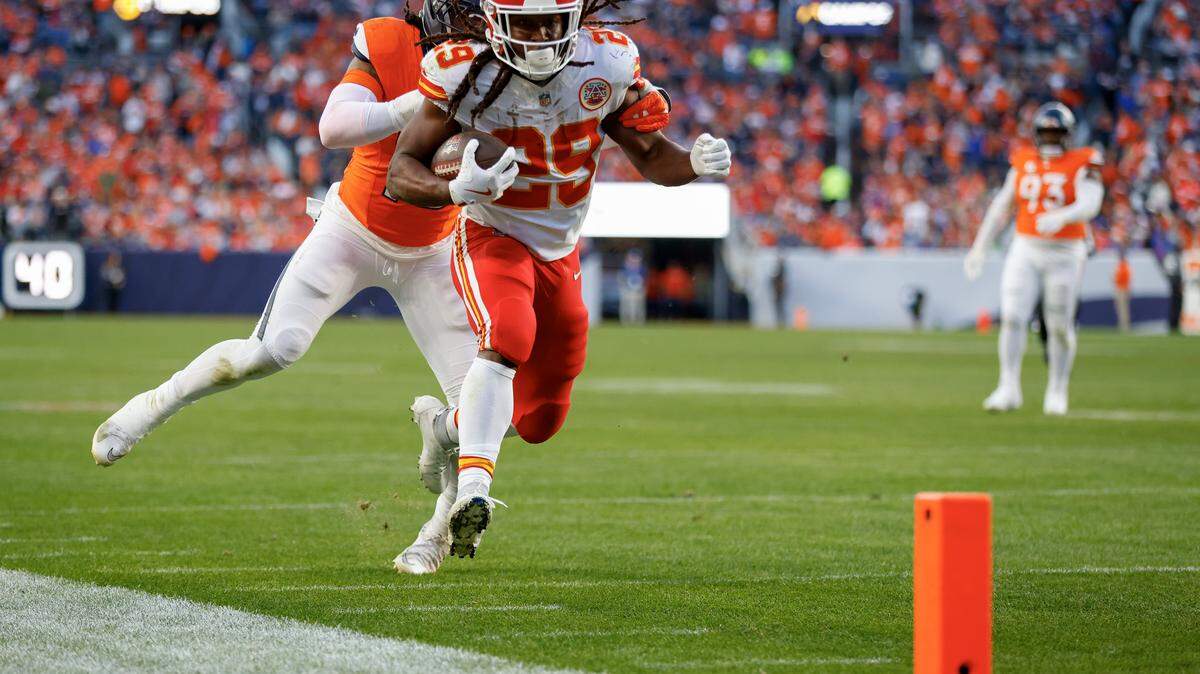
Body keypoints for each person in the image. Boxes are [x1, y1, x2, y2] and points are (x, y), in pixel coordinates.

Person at [385, 0, 731, 565]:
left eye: (552, 21)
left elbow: (651, 156)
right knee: (509, 335)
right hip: (492, 236)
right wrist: (453, 191)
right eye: (526, 23)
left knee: (540, 420)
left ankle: (444, 427)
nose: (541, 36)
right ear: (494, 20)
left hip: (560, 251)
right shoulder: (465, 72)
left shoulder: (608, 64)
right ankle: (471, 494)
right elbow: (401, 174)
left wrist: (693, 163)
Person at [964, 102, 1105, 416]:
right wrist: (979, 247)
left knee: (1058, 324)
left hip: (1066, 251)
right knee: (1012, 316)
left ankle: (1057, 388)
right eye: (1046, 133)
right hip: (1026, 246)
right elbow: (1001, 206)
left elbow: (1091, 202)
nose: (1051, 140)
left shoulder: (1084, 161)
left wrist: (1065, 216)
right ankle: (1008, 387)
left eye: (1056, 134)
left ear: (1068, 135)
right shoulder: (1023, 161)